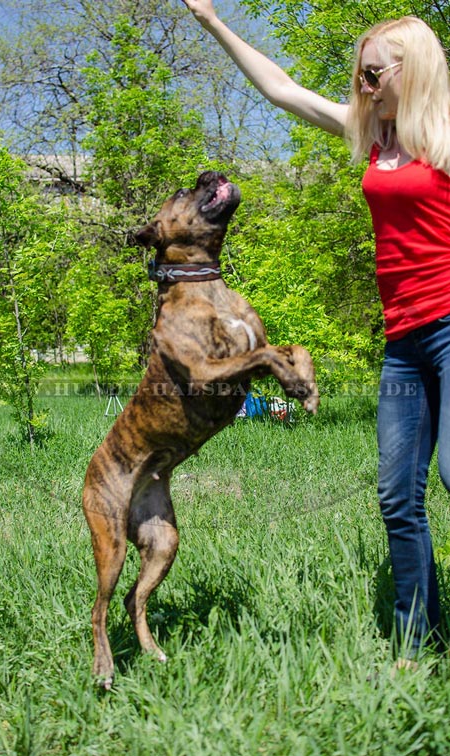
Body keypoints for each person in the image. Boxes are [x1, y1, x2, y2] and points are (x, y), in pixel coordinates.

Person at [182, 0, 450, 667]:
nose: (362, 85)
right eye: (361, 74)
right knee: (397, 498)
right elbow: (281, 90)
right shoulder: (372, 137)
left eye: (373, 74)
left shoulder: (444, 137)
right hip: (404, 343)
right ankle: (417, 648)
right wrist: (212, 21)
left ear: (410, 72)